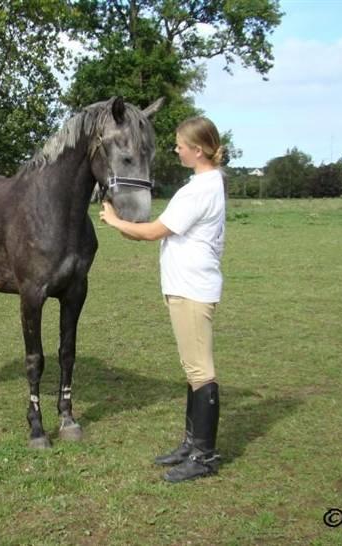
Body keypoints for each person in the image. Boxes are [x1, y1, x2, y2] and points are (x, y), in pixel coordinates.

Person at [99, 116, 226, 483]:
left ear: (197, 150)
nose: (176, 148)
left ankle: (204, 456)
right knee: (193, 369)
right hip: (186, 286)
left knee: (201, 371)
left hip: (192, 289)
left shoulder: (200, 190)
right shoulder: (205, 183)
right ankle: (191, 444)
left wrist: (113, 219)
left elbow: (154, 232)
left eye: (180, 144)